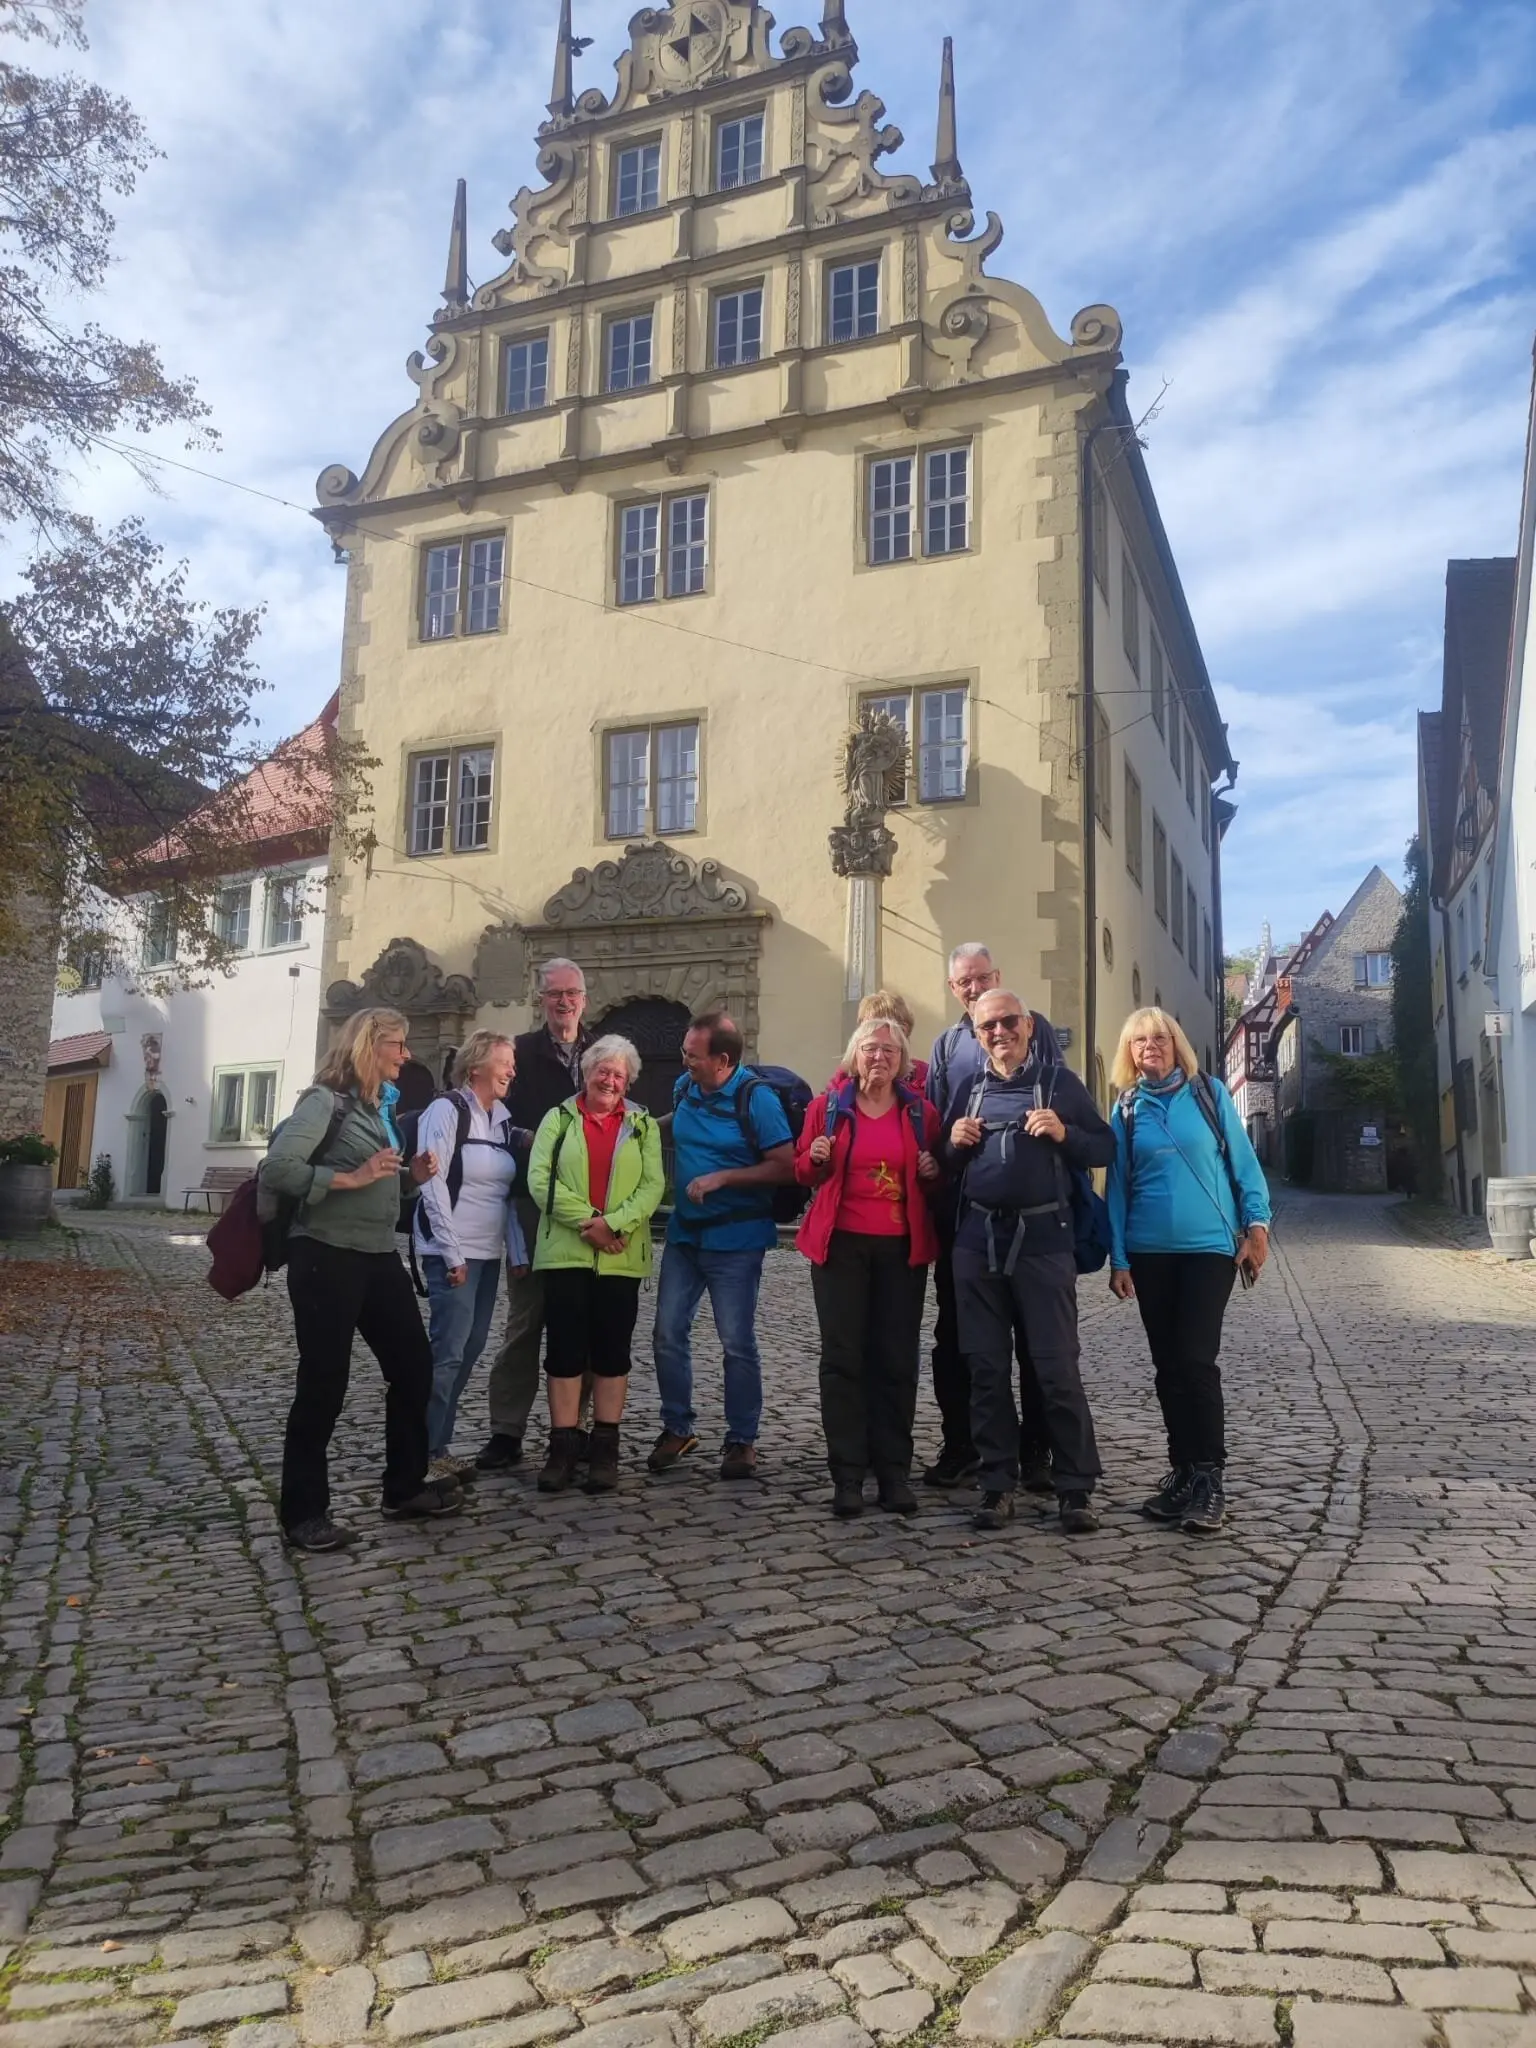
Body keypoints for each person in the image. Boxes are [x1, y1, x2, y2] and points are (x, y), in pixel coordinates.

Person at [263, 1006, 461, 1551]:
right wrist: (347, 1176)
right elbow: (277, 1168)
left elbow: (377, 1183)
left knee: (413, 1366)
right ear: (367, 1046)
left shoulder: (376, 1111)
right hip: (325, 1258)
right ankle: (303, 1514)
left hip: (377, 1257)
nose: (406, 1054)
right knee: (324, 1383)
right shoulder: (322, 1102)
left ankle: (403, 1487)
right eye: (397, 1044)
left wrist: (407, 1179)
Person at [945, 988, 1113, 1535]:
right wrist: (952, 1142)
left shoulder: (1059, 1084)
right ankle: (996, 1485)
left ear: (1028, 1026)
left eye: (1008, 1021)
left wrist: (1065, 1133)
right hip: (977, 1244)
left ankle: (1075, 1488)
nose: (1000, 1032)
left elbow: (1104, 1147)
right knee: (986, 1369)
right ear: (977, 1036)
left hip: (1043, 1243)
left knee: (1056, 1368)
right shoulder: (969, 1089)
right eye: (988, 1026)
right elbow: (943, 1163)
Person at [1106, 1007, 1271, 1535]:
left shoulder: (1210, 1094)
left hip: (1208, 1251)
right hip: (1150, 1253)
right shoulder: (1126, 1109)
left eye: (1160, 1037)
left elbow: (1244, 1165)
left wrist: (1257, 1227)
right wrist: (1119, 1258)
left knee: (1196, 1361)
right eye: (1139, 1041)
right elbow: (1118, 1190)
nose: (1149, 1046)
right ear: (1128, 1053)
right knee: (1168, 1367)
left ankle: (1209, 1478)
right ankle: (1182, 1473)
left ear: (1177, 1044)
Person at [924, 943, 1063, 1492]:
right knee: (959, 1341)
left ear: (997, 976)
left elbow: (1059, 1101)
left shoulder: (1034, 1026)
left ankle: (1036, 1452)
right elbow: (937, 1122)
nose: (975, 989)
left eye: (981, 978)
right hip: (964, 1217)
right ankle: (964, 1444)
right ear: (954, 991)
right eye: (964, 983)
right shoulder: (948, 1044)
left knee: (1035, 1342)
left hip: (1032, 1215)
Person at [796, 1018, 944, 1517]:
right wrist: (816, 1157)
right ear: (854, 1055)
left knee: (896, 1359)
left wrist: (931, 1172)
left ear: (903, 1061)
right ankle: (847, 1474)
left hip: (900, 1249)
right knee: (842, 1359)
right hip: (841, 1247)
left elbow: (938, 1178)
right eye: (869, 1048)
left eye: (889, 1050)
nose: (879, 1057)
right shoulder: (828, 1108)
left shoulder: (922, 1113)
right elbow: (803, 1171)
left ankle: (894, 1472)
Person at [649, 1012, 795, 1480]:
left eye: (693, 1055)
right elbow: (677, 1121)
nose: (684, 1060)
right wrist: (639, 1128)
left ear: (723, 1060)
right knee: (667, 1334)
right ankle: (678, 1427)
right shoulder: (686, 1085)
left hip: (736, 1239)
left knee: (736, 1343)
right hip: (685, 1235)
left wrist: (725, 1177)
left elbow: (786, 1165)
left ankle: (741, 1440)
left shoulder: (758, 1100)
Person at [527, 1034, 665, 1495]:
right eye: (601, 1071)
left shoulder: (644, 1125)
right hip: (566, 1254)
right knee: (564, 1352)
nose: (609, 1079)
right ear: (585, 1073)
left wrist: (617, 1224)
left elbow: (652, 1187)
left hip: (620, 1257)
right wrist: (592, 1222)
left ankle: (605, 1447)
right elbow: (539, 1180)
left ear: (628, 1081)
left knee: (612, 1353)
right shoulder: (558, 1119)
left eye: (618, 1074)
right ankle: (563, 1446)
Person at [477, 958, 592, 1472]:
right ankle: (506, 1430)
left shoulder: (603, 1053)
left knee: (580, 1323)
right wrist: (535, 1140)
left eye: (572, 993)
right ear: (540, 999)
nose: (563, 1002)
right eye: (553, 994)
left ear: (584, 998)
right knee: (525, 1322)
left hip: (588, 1208)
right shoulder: (519, 1054)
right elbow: (497, 1121)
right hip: (529, 1206)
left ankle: (574, 1427)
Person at [411, 1031, 531, 1485]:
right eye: (505, 1062)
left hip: (487, 1255)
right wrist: (451, 1251)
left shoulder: (500, 1120)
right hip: (453, 1254)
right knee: (447, 1354)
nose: (512, 1071)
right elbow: (432, 1184)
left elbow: (507, 1193)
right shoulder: (446, 1111)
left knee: (469, 1351)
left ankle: (436, 1444)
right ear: (477, 1065)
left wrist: (514, 1250)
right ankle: (423, 1452)